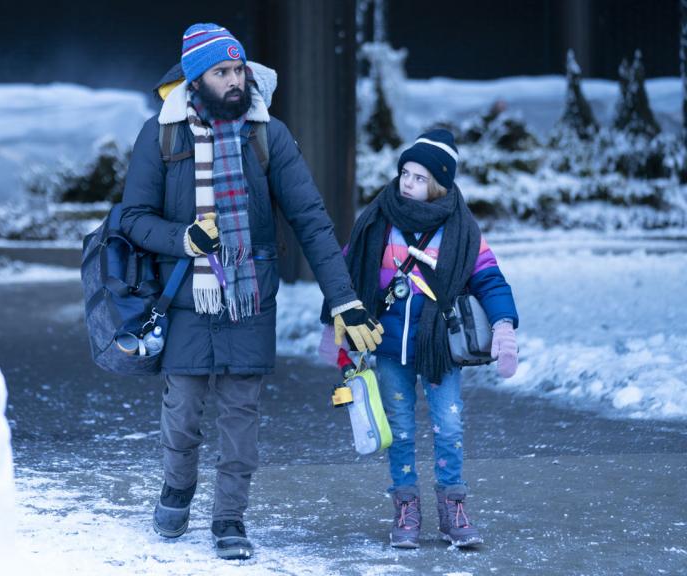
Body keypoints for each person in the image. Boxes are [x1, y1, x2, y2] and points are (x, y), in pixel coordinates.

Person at [120, 22, 384, 560]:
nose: (236, 80)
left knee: (241, 413)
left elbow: (310, 219)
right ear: (198, 79)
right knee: (184, 408)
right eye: (222, 72)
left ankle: (229, 518)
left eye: (239, 69)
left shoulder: (267, 134)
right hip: (185, 297)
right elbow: (130, 219)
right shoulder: (162, 135)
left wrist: (344, 297)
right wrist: (183, 237)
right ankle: (177, 487)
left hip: (250, 297)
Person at [324, 128, 519, 549]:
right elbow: (346, 275)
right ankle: (406, 508)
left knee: (449, 427)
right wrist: (333, 329)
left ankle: (453, 507)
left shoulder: (462, 229)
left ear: (438, 185)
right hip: (389, 347)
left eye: (418, 177)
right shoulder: (378, 219)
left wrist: (503, 325)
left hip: (440, 350)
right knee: (400, 431)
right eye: (405, 173)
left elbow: (489, 278)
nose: (407, 182)